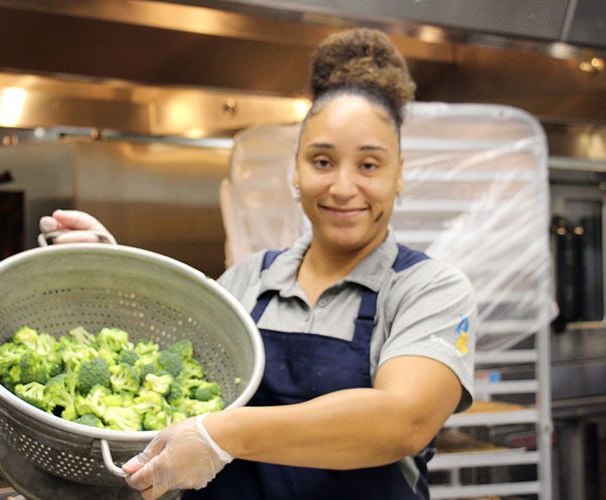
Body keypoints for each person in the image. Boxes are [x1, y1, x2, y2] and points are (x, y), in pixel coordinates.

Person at [40, 28, 475, 500]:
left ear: (399, 175)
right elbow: (159, 367)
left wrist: (224, 435)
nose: (344, 187)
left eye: (369, 165)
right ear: (296, 170)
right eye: (322, 161)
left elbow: (402, 421)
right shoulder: (250, 279)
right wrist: (108, 270)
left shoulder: (427, 290)